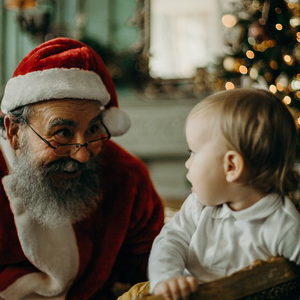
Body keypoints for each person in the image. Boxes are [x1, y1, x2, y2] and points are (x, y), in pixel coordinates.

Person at [0, 37, 164, 300]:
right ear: (15, 132)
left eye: (94, 130)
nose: (82, 153)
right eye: (62, 132)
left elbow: (153, 265)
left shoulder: (126, 176)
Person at [120, 88, 300, 300]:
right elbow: (170, 241)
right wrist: (167, 278)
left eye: (193, 152)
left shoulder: (283, 226)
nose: (188, 163)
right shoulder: (198, 204)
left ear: (231, 166)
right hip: (183, 292)